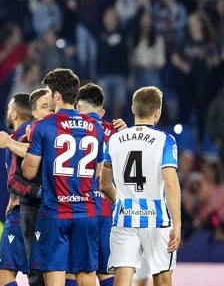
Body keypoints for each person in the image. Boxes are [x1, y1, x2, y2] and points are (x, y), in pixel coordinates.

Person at [22, 68, 104, 286]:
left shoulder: (43, 126)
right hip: (86, 211)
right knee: (86, 275)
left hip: (55, 212)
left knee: (55, 274)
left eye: (47, 93)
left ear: (57, 95)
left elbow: (28, 172)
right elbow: (97, 170)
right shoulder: (95, 127)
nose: (46, 97)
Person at [100, 86, 181, 286]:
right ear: (158, 112)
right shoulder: (165, 141)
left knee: (122, 281)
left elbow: (103, 184)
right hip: (156, 220)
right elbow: (170, 183)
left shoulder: (115, 140)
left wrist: (122, 202)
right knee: (162, 280)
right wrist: (177, 224)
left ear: (133, 109)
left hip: (124, 219)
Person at [0, 88, 50, 286]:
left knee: (8, 275)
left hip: (26, 211)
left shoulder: (23, 134)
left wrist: (9, 143)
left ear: (14, 113)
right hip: (24, 207)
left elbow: (40, 153)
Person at [73, 82, 122, 286]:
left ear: (77, 108)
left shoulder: (69, 129)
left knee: (75, 272)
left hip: (79, 206)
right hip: (106, 210)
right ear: (102, 112)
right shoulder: (118, 133)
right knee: (106, 272)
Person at [0, 92, 34, 286]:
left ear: (15, 114)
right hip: (32, 209)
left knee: (4, 275)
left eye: (9, 109)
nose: (8, 112)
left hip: (23, 212)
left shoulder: (19, 137)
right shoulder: (34, 133)